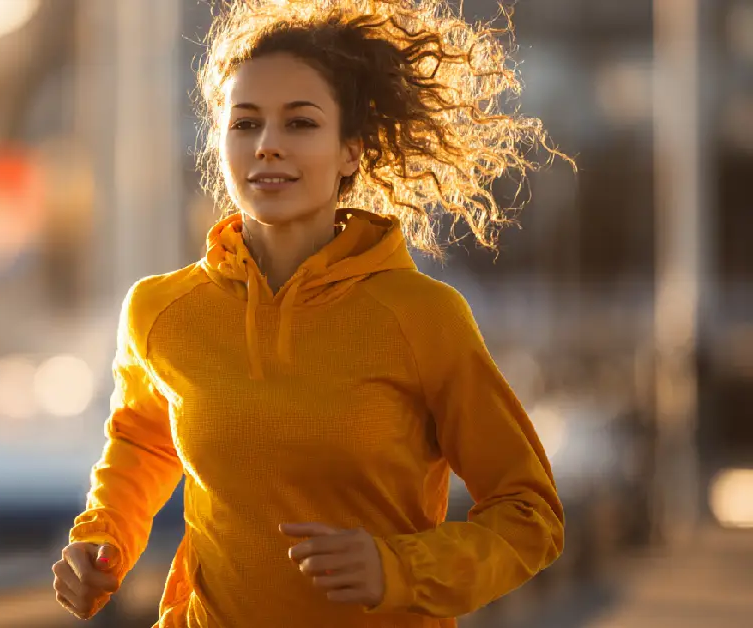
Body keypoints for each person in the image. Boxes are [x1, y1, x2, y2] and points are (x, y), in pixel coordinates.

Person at [52, 0, 571, 625]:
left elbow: (528, 512)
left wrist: (399, 569)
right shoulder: (161, 311)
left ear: (351, 151)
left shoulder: (422, 317)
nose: (268, 146)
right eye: (245, 124)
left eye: (300, 124)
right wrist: (101, 539)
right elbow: (143, 440)